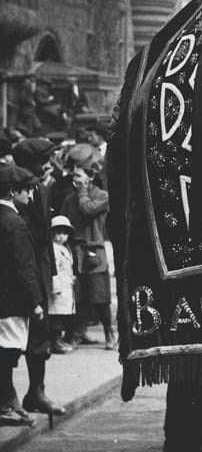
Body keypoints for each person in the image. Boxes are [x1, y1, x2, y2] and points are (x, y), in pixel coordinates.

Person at [11, 137, 66, 416]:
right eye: (44, 161)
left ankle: (36, 392)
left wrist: (52, 275)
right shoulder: (14, 190)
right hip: (17, 273)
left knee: (39, 334)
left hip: (40, 272)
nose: (49, 166)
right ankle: (8, 399)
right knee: (10, 338)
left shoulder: (40, 188)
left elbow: (44, 239)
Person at [0, 164, 42, 427]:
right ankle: (5, 404)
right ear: (13, 191)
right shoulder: (15, 223)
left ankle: (8, 400)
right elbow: (24, 267)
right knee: (7, 353)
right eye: (26, 190)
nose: (29, 195)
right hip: (12, 301)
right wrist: (36, 301)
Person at [63, 149, 114, 350]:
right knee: (80, 294)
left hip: (95, 251)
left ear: (90, 176)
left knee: (100, 296)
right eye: (74, 175)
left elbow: (87, 209)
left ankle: (110, 333)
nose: (75, 179)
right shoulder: (70, 199)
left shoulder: (103, 196)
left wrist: (82, 192)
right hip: (76, 250)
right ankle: (78, 333)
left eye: (78, 175)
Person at [47, 215, 76, 355]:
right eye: (58, 233)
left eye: (65, 233)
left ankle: (59, 339)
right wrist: (56, 286)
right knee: (56, 316)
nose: (62, 237)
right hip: (58, 287)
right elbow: (55, 270)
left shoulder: (65, 248)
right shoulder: (53, 249)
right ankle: (55, 341)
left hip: (66, 285)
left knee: (63, 315)